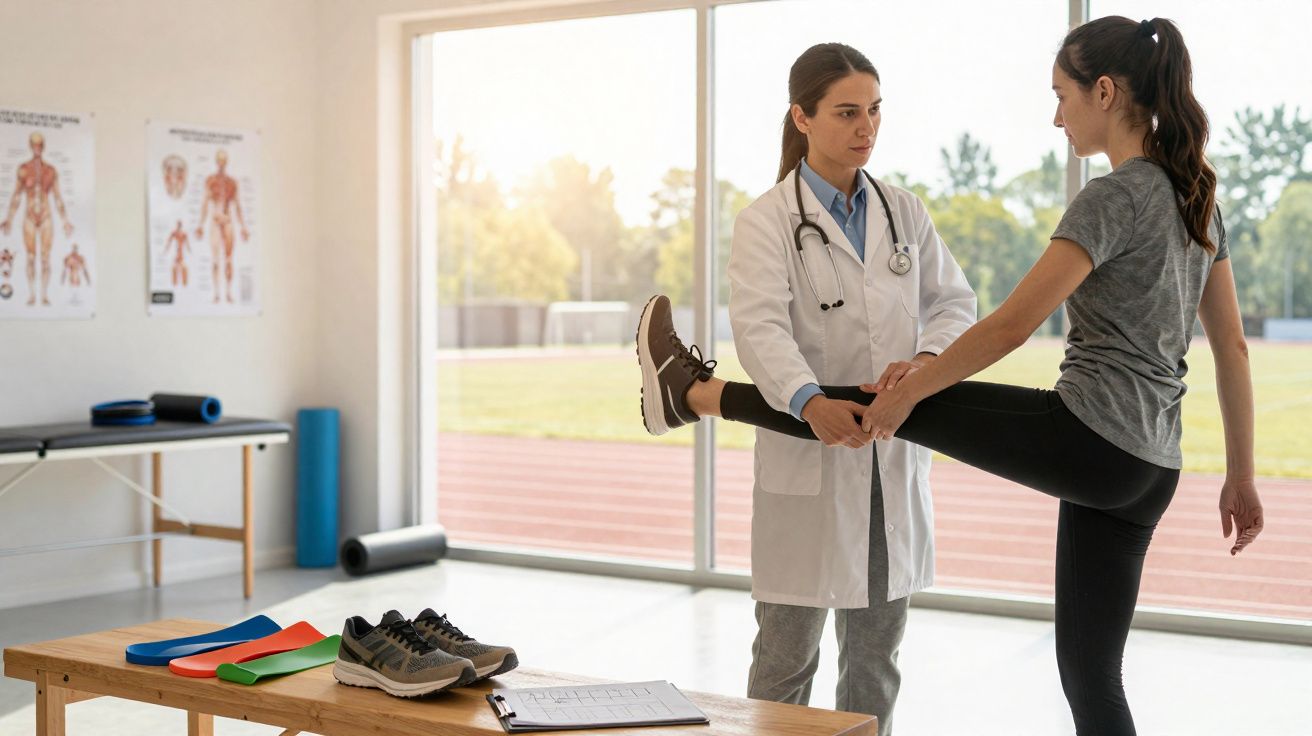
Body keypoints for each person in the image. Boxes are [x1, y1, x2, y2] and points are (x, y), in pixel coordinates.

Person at [636, 17, 1264, 736]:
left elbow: (1005, 324)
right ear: (802, 118)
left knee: (899, 404)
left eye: (1062, 95)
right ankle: (694, 394)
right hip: (1154, 466)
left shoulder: (1110, 196)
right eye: (848, 111)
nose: (1056, 115)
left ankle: (693, 393)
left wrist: (918, 377)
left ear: (1104, 90)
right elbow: (1233, 348)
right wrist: (1240, 474)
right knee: (1092, 679)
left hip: (1094, 439)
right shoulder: (1197, 196)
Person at [642, 43, 975, 734]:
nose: (866, 127)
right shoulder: (767, 219)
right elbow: (760, 329)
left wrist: (924, 360)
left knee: (876, 660)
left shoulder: (904, 211)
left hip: (891, 461)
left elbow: (953, 303)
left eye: (875, 110)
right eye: (848, 112)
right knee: (786, 659)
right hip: (811, 454)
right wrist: (806, 401)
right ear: (802, 116)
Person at [1, 132, 75, 307]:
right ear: (30, 146)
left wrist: (65, 220)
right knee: (31, 257)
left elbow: (57, 197)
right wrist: (9, 219)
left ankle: (44, 295)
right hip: (29, 217)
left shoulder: (51, 171)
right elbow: (17, 195)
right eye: (34, 145)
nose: (37, 148)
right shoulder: (23, 169)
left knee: (45, 257)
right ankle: (32, 294)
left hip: (46, 216)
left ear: (43, 146)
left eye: (40, 145)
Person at [195, 149, 249, 304]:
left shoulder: (232, 183)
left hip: (228, 222)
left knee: (229, 259)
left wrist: (243, 227)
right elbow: (205, 203)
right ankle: (217, 293)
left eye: (223, 160)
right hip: (215, 221)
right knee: (215, 259)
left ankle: (229, 292)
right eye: (219, 160)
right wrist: (200, 224)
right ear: (216, 161)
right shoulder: (210, 180)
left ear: (226, 162)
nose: (221, 163)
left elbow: (238, 205)